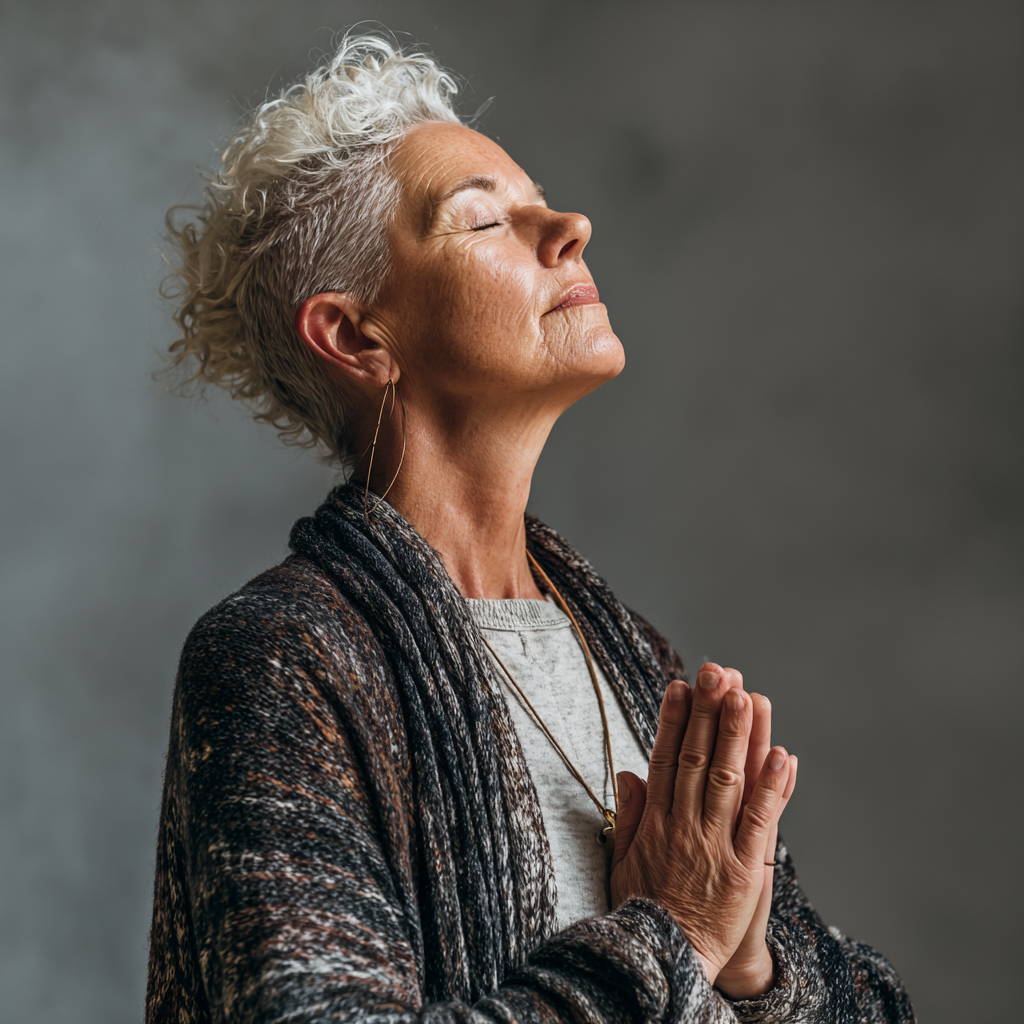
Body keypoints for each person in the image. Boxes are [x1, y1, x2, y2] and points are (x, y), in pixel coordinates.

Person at [146, 32, 915, 1024]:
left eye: (540, 201)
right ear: (353, 334)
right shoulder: (283, 659)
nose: (569, 226)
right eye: (482, 221)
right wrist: (669, 937)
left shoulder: (634, 657)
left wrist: (754, 967)